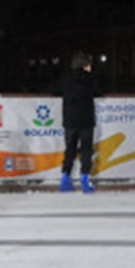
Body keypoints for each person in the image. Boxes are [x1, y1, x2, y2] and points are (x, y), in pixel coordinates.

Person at [45, 50, 98, 193]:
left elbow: (52, 89)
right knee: (86, 150)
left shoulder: (65, 79)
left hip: (70, 120)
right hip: (86, 120)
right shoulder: (91, 79)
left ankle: (65, 179)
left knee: (70, 150)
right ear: (85, 65)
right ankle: (85, 180)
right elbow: (100, 90)